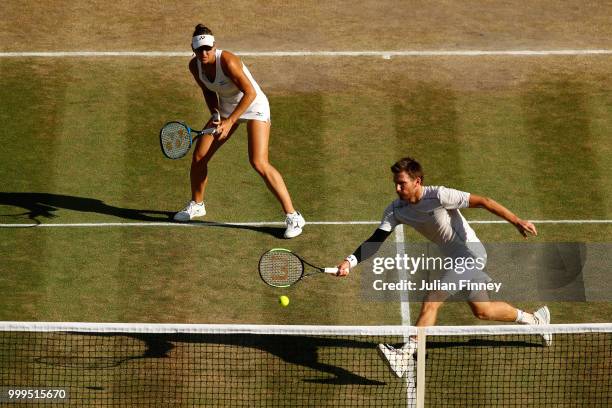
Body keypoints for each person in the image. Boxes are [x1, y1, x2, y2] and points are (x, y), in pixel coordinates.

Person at [335, 157, 551, 378]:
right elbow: (376, 240)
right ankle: (535, 320)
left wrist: (517, 221)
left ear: (417, 181)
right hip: (455, 259)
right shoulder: (396, 210)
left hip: (471, 255)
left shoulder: (438, 195)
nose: (397, 189)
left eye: (402, 183)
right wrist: (349, 262)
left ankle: (405, 353)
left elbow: (484, 201)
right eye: (396, 184)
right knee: (483, 311)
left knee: (432, 298)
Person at [174, 24, 305, 239]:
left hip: (254, 106)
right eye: (199, 50)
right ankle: (197, 205)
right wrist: (217, 116)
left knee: (258, 162)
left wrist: (230, 121)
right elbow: (208, 91)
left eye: (208, 48)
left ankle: (293, 216)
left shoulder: (227, 60)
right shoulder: (194, 66)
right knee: (199, 156)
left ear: (214, 46)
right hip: (226, 109)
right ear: (193, 49)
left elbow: (251, 92)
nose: (204, 53)